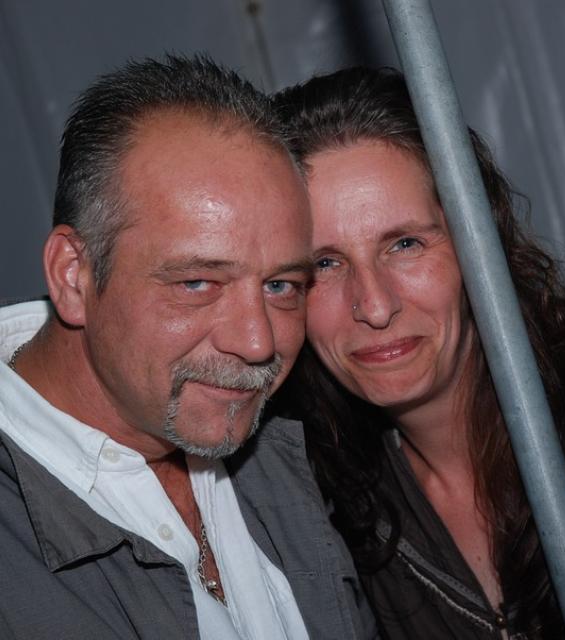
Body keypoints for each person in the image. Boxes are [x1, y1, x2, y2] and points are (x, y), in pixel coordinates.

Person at [0, 55, 377, 640]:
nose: (257, 341)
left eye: (281, 285)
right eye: (197, 283)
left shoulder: (294, 445)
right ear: (74, 276)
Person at [272, 67, 565, 639]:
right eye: (324, 263)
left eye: (405, 243)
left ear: (479, 238)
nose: (375, 306)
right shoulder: (318, 501)